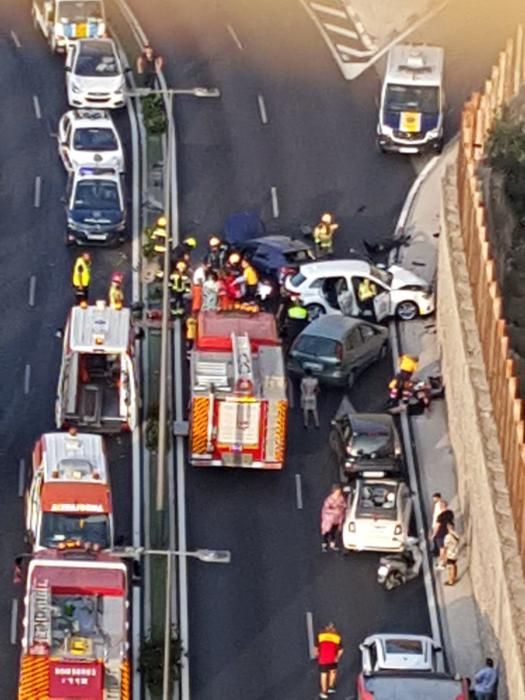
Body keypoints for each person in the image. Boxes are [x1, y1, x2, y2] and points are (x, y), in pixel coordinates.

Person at [315, 623, 344, 698]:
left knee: (323, 675)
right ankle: (330, 687)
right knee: (333, 672)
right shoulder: (337, 637)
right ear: (334, 629)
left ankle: (324, 692)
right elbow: (341, 650)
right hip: (333, 658)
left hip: (323, 658)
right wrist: (337, 657)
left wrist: (317, 655)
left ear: (326, 628)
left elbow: (316, 648)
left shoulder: (320, 636)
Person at [320, 484, 346, 552]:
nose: (338, 493)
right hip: (329, 519)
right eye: (337, 492)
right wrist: (335, 510)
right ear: (334, 491)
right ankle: (324, 545)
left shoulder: (341, 498)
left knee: (333, 532)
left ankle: (332, 545)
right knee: (326, 532)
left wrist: (342, 508)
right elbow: (326, 509)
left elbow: (344, 505)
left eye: (339, 492)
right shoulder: (329, 499)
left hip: (337, 519)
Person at [430, 500, 455, 569]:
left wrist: (433, 535)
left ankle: (441, 563)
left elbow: (437, 527)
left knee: (442, 549)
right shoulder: (450, 513)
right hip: (448, 532)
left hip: (440, 534)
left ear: (441, 507)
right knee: (446, 548)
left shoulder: (440, 517)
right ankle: (446, 561)